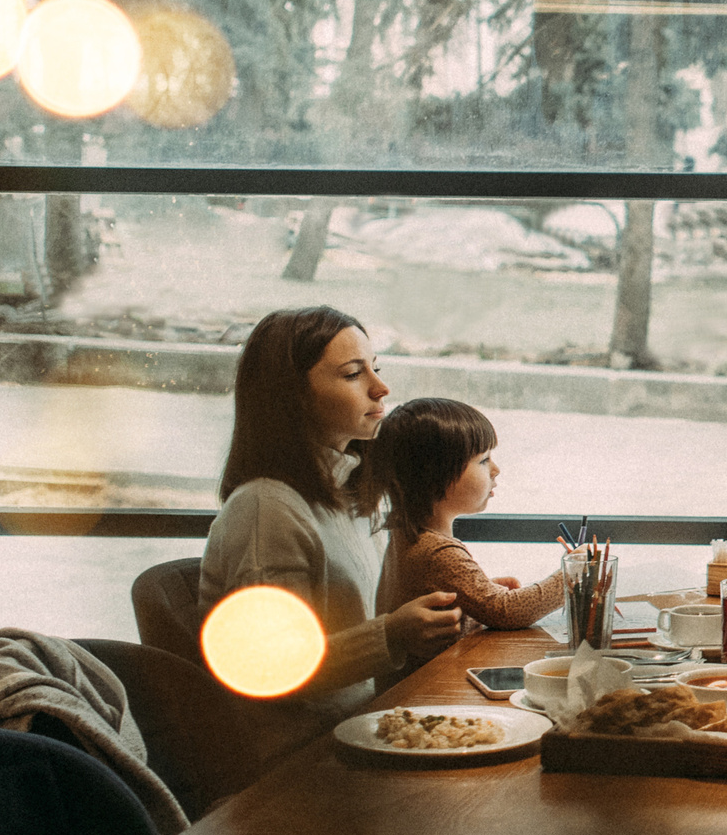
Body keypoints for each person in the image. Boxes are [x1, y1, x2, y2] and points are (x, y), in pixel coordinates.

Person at [201, 306, 460, 720]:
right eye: (354, 374)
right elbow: (268, 667)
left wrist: (448, 604)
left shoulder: (354, 495)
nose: (381, 388)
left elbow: (367, 616)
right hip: (304, 745)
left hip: (369, 718)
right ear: (293, 395)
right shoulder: (266, 509)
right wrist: (392, 636)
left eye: (375, 368)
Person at [369, 397, 563, 632]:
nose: (496, 470)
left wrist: (477, 593)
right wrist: (571, 577)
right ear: (436, 475)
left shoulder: (406, 536)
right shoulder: (437, 551)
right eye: (483, 460)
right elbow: (507, 611)